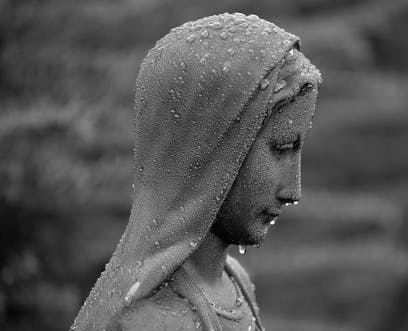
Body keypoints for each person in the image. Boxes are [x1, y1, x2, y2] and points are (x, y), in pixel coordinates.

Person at [71, 12, 321, 331]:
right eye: (282, 148)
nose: (292, 190)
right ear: (211, 149)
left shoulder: (235, 279)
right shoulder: (153, 321)